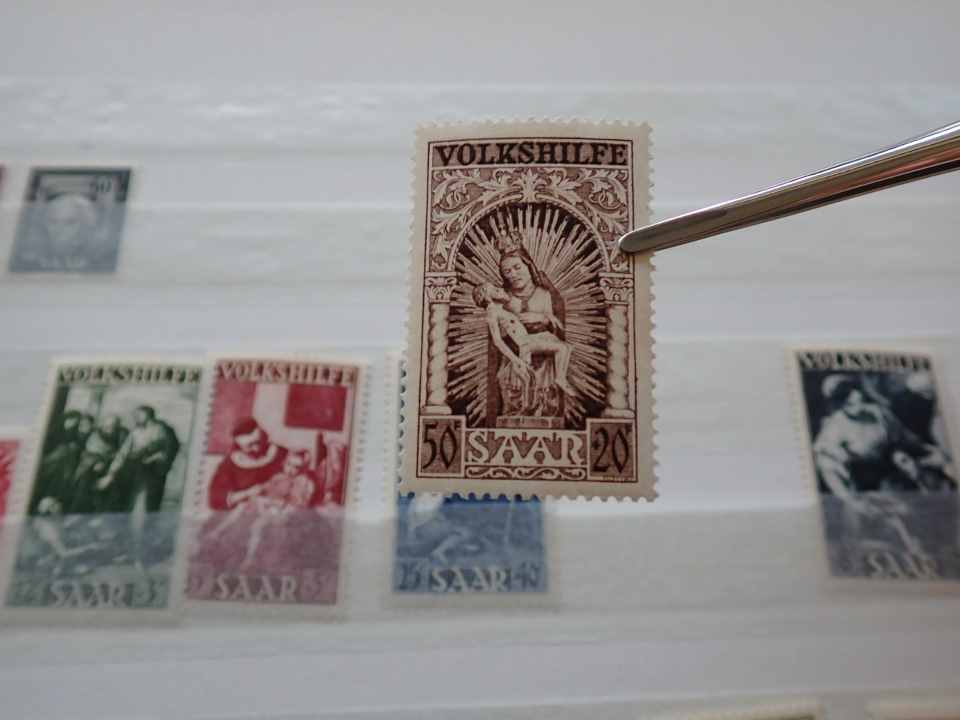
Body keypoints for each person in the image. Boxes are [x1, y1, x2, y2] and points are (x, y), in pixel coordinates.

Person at [486, 233, 567, 423]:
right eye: (507, 271)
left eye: (517, 267)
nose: (513, 274)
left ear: (529, 266)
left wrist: (544, 319)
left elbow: (559, 327)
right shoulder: (502, 299)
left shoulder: (545, 294)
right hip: (514, 358)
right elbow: (497, 336)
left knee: (543, 397)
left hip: (544, 358)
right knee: (513, 389)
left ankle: (542, 408)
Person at [206, 448, 316, 568]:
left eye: (296, 467)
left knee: (258, 525)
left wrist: (276, 504)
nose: (290, 469)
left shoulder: (304, 483)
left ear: (303, 468)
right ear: (284, 462)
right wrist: (259, 491)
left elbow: (300, 505)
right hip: (269, 506)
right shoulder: (280, 477)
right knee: (242, 506)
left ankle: (250, 558)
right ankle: (219, 531)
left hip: (284, 512)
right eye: (288, 464)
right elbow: (266, 488)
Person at [474, 282, 574, 399]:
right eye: (495, 290)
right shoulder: (492, 313)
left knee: (566, 347)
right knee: (563, 348)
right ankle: (560, 378)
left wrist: (544, 318)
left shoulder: (500, 310)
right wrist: (515, 360)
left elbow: (514, 325)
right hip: (525, 344)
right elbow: (498, 341)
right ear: (488, 298)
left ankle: (555, 380)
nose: (500, 289)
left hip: (528, 340)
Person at [97, 406, 180, 514]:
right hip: (132, 467)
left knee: (146, 506)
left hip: (151, 472)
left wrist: (154, 458)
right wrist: (111, 473)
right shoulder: (136, 431)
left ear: (148, 415)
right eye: (135, 414)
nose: (135, 417)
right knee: (121, 500)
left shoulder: (162, 430)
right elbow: (123, 453)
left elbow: (166, 451)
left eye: (139, 414)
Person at [207, 418, 288, 511]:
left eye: (258, 442)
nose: (256, 448)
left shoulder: (281, 453)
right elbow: (215, 499)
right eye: (249, 446)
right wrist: (248, 493)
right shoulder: (230, 464)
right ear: (239, 445)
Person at [71, 414, 128, 513]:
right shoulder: (94, 433)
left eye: (112, 426)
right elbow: (86, 450)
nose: (109, 429)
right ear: (102, 425)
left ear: (117, 427)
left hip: (107, 467)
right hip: (88, 464)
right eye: (106, 426)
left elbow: (119, 455)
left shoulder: (121, 437)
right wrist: (95, 461)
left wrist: (107, 467)